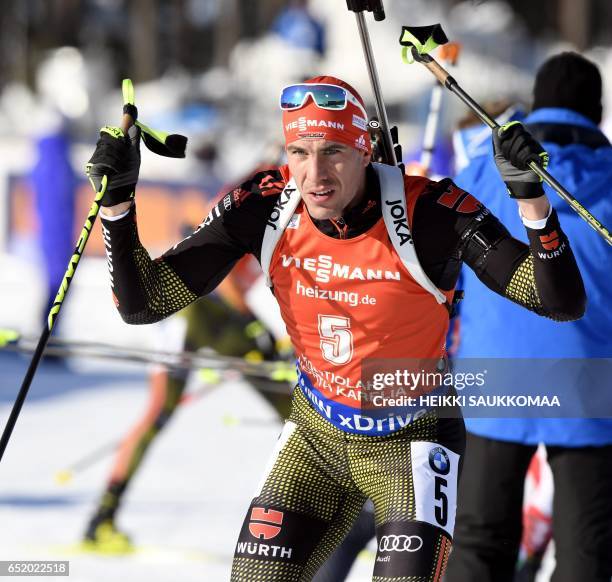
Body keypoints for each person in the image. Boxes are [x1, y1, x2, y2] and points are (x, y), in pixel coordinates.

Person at [87, 75, 585, 580]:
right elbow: (144, 302)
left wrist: (533, 205)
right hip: (316, 437)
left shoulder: (429, 213)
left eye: (334, 152)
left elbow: (559, 301)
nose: (314, 173)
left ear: (365, 149)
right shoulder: (264, 207)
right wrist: (118, 207)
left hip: (409, 441)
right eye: (299, 152)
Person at [444, 52, 612, 582]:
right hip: (590, 382)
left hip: (496, 376)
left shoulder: (481, 172)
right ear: (598, 109)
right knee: (587, 554)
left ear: (537, 104)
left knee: (478, 541)